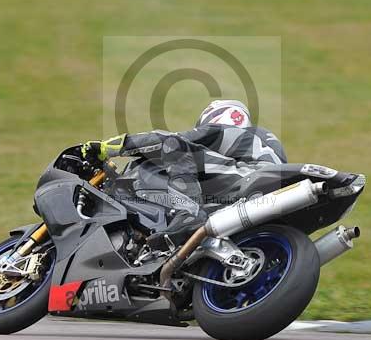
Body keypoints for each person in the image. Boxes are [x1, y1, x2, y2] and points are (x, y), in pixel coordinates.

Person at [81, 100, 286, 244]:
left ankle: (187, 213)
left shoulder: (229, 132)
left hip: (249, 179)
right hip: (251, 193)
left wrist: (107, 147)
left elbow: (165, 140)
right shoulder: (254, 142)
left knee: (174, 145)